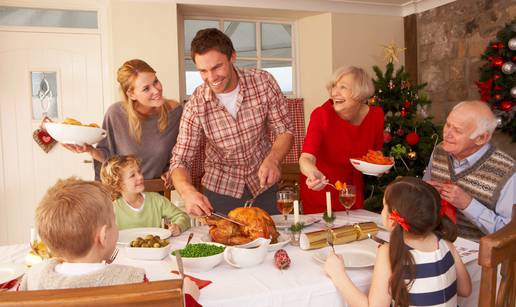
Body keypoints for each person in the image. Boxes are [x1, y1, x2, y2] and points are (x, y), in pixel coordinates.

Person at [18, 177, 201, 307]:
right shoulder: (131, 279)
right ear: (104, 236)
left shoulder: (34, 277)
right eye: (114, 221)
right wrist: (187, 298)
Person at [170, 28, 294, 216]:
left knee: (271, 241)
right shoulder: (196, 104)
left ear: (233, 57)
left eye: (217, 67)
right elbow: (180, 159)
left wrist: (273, 159)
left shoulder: (263, 82)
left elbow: (284, 130)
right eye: (203, 71)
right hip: (220, 190)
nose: (211, 78)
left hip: (264, 185)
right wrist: (187, 192)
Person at [324, 177, 472, 306]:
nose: (382, 211)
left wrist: (338, 274)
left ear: (393, 218)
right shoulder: (445, 244)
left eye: (384, 207)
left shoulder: (388, 252)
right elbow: (465, 290)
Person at [63, 59, 182, 181]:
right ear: (131, 94)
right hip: (121, 195)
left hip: (157, 195)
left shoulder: (175, 113)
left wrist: (171, 170)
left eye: (156, 82)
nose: (156, 90)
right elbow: (109, 157)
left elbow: (181, 154)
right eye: (146, 89)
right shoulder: (115, 114)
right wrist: (90, 150)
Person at [423, 100, 516, 240]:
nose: (447, 134)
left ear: (481, 138)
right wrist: (427, 192)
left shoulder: (507, 172)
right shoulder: (440, 151)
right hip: (436, 242)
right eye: (448, 124)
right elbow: (422, 196)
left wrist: (468, 204)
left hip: (479, 254)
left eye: (458, 130)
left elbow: (509, 233)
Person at [299, 66, 384, 214]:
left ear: (360, 93)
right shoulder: (321, 116)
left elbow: (375, 153)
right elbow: (306, 157)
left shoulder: (376, 116)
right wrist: (313, 173)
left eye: (343, 87)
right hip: (321, 191)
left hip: (352, 194)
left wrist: (380, 166)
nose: (334, 93)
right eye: (333, 87)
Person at [100, 155, 190, 235]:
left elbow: (183, 216)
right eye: (132, 175)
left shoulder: (156, 200)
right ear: (118, 185)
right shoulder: (112, 208)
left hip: (154, 252)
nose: (140, 177)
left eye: (139, 172)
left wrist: (178, 227)